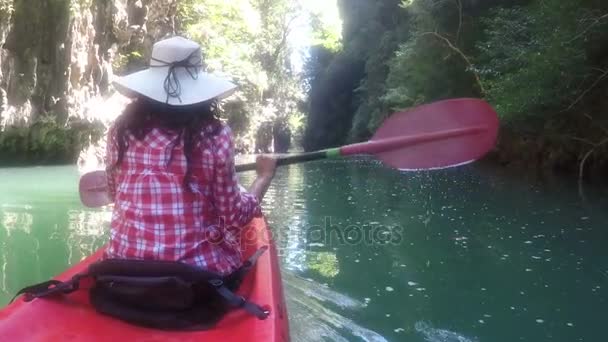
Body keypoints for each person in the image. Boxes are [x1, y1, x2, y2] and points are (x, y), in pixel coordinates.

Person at [104, 36, 277, 276]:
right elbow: (235, 216)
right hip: (194, 281)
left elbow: (114, 193)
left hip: (120, 273)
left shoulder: (119, 132)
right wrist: (263, 177)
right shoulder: (216, 136)